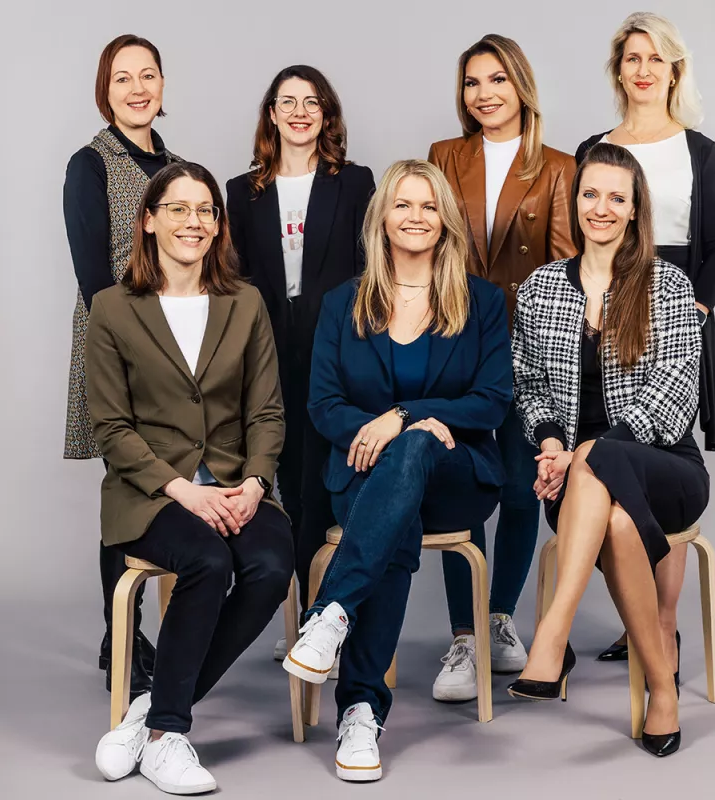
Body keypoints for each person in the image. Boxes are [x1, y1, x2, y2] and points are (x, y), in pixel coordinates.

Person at [282, 160, 511, 781]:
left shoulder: (483, 300)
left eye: (429, 206)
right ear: (382, 217)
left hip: (457, 479)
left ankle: (332, 618)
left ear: (446, 221)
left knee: (412, 448)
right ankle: (360, 709)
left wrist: (405, 415)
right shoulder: (341, 303)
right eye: (403, 205)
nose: (416, 217)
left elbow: (492, 399)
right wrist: (381, 431)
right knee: (395, 507)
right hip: (361, 477)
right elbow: (322, 404)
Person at [88, 162, 293, 793]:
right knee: (207, 561)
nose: (193, 222)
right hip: (152, 492)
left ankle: (149, 715)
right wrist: (183, 489)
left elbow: (266, 409)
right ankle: (170, 733)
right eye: (177, 209)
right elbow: (111, 427)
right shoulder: (113, 308)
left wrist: (255, 483)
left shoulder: (245, 301)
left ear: (218, 225)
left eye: (205, 210)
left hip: (236, 483)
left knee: (269, 565)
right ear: (148, 221)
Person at [507, 143, 709, 758]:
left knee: (598, 453)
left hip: (666, 467)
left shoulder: (667, 285)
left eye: (616, 197)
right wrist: (549, 445)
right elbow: (529, 387)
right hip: (575, 490)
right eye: (591, 194)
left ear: (633, 209)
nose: (601, 207)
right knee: (616, 520)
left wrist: (584, 453)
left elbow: (672, 398)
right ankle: (661, 690)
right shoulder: (542, 287)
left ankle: (552, 631)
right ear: (577, 201)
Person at [576, 12, 715, 668]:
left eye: (655, 59)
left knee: (658, 451)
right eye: (631, 58)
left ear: (673, 70)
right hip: (602, 315)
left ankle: (662, 626)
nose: (642, 70)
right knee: (607, 462)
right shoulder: (594, 146)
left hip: (672, 319)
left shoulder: (699, 151)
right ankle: (635, 618)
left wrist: (688, 314)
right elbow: (580, 236)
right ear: (619, 71)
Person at [427, 33, 576, 699]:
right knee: (461, 490)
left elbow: (565, 270)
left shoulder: (557, 166)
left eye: (496, 80)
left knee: (519, 490)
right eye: (472, 83)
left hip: (526, 349)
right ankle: (464, 638)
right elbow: (426, 247)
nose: (484, 94)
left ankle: (500, 619)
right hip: (454, 341)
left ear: (520, 86)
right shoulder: (443, 156)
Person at [227, 67, 375, 658]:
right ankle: (297, 618)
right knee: (282, 473)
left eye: (311, 102)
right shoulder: (243, 191)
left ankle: (324, 619)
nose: (299, 111)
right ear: (271, 113)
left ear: (326, 114)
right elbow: (234, 278)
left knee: (323, 476)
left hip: (337, 347)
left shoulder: (355, 181)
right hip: (266, 348)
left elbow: (370, 269)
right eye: (287, 101)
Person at [63, 34, 183, 695]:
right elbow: (92, 276)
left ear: (163, 86)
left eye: (148, 76)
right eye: (122, 79)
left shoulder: (180, 167)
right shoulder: (91, 164)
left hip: (178, 352)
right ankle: (124, 634)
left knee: (164, 485)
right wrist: (132, 354)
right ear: (105, 92)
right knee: (129, 492)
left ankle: (131, 635)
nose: (137, 89)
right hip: (117, 352)